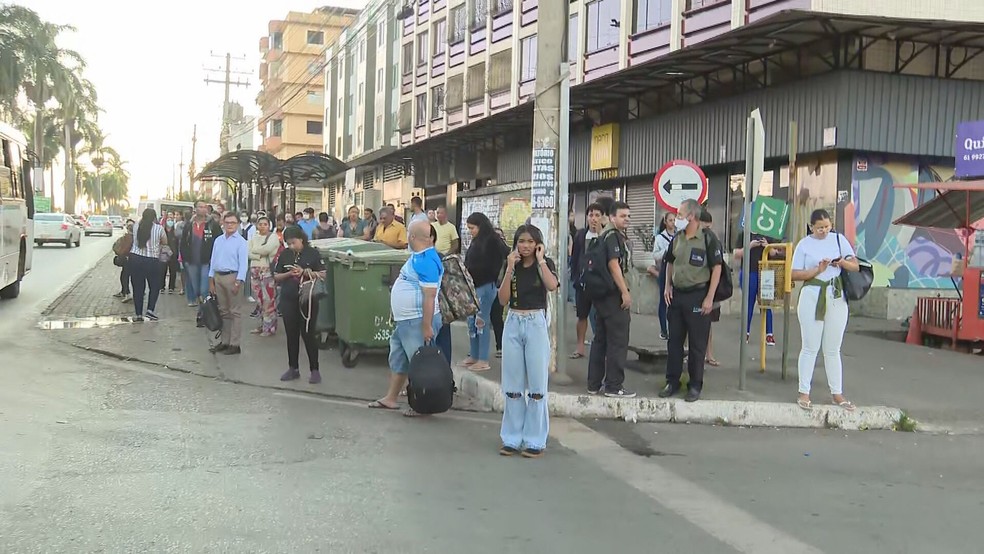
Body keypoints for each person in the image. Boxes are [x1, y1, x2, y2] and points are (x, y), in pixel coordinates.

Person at [369, 219, 444, 416]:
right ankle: (391, 398)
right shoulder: (418, 256)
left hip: (417, 320)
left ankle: (422, 405)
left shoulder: (427, 260)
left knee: (418, 364)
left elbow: (430, 297)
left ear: (412, 237)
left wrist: (427, 326)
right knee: (399, 359)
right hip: (406, 321)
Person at [496, 224, 558, 458]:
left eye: (531, 242)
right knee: (512, 385)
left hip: (535, 322)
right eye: (522, 241)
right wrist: (510, 267)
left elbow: (552, 286)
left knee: (537, 385)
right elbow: (502, 299)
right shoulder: (511, 264)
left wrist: (541, 261)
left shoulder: (545, 264)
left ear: (538, 244)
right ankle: (511, 438)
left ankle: (535, 439)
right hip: (513, 321)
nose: (526, 246)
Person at [791, 209, 859, 411]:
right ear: (812, 227)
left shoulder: (838, 239)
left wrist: (841, 262)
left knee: (833, 348)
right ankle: (804, 392)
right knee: (810, 346)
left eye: (827, 227)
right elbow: (794, 274)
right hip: (813, 293)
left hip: (836, 295)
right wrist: (817, 270)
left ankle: (837, 393)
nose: (824, 231)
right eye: (820, 228)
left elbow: (855, 265)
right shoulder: (804, 244)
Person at [659, 199, 724, 402]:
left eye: (680, 214)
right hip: (677, 295)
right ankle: (672, 381)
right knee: (674, 342)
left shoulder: (708, 239)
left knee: (697, 344)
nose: (676, 219)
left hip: (698, 295)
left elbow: (717, 268)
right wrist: (667, 286)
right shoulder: (677, 238)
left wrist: (709, 298)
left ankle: (695, 385)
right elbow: (669, 261)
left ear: (691, 217)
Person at [586, 201, 636, 398]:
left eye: (629, 216)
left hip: (601, 296)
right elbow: (614, 264)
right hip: (613, 296)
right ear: (612, 217)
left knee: (601, 340)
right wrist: (625, 291)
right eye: (623, 216)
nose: (627, 220)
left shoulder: (603, 235)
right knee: (617, 341)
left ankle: (594, 383)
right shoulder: (613, 236)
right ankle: (614, 386)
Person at [274, 225, 326, 383]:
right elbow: (276, 276)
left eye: (293, 242)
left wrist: (304, 272)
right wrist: (289, 273)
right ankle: (293, 368)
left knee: (309, 334)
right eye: (288, 243)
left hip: (307, 299)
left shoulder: (313, 253)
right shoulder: (285, 254)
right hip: (289, 298)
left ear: (301, 239)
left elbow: (323, 274)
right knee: (291, 334)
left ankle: (314, 369)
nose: (291, 246)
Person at [462, 213, 508, 372]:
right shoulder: (476, 241)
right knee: (471, 322)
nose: (471, 231)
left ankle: (483, 358)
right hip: (473, 286)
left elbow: (506, 254)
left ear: (480, 226)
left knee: (481, 322)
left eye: (472, 228)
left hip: (486, 285)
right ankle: (474, 355)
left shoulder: (493, 241)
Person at [208, 212, 250, 355]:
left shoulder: (241, 242)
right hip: (219, 277)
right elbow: (213, 260)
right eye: (227, 223)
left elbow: (244, 264)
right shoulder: (218, 240)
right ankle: (225, 341)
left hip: (233, 277)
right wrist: (211, 279)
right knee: (224, 311)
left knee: (235, 312)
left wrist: (239, 281)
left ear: (237, 224)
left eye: (233, 223)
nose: (230, 225)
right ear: (223, 224)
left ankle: (235, 344)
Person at [569, 202, 604, 358]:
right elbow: (575, 257)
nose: (594, 219)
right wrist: (575, 278)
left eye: (597, 215)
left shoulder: (606, 235)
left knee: (599, 316)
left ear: (603, 218)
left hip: (600, 284)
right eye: (591, 215)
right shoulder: (581, 235)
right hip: (582, 282)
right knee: (581, 315)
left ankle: (601, 346)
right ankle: (580, 347)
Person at [735, 230, 778, 345]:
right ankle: (745, 333)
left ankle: (769, 334)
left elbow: (775, 253)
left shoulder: (769, 231)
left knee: (766, 303)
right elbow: (736, 254)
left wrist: (767, 246)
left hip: (765, 272)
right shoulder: (744, 233)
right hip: (749, 271)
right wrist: (750, 246)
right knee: (748, 303)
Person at [179, 201, 222, 307]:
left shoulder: (212, 225)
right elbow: (183, 243)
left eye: (205, 207)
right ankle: (197, 302)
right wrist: (185, 259)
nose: (203, 209)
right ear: (195, 209)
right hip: (191, 261)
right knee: (194, 286)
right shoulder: (189, 225)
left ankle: (205, 308)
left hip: (206, 262)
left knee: (204, 288)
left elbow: (219, 241)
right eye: (200, 207)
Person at [128, 208, 168, 322]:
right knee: (154, 286)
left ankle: (138, 314)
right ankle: (150, 310)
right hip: (152, 260)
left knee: (138, 287)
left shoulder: (136, 226)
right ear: (154, 217)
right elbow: (165, 241)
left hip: (135, 259)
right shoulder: (159, 228)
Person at [248, 216, 281, 337]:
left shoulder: (273, 237)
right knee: (259, 299)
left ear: (269, 225)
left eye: (265, 224)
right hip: (254, 270)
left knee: (268, 299)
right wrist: (257, 254)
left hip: (267, 271)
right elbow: (249, 251)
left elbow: (268, 250)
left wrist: (255, 251)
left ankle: (270, 327)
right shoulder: (254, 237)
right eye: (260, 224)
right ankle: (261, 325)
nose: (262, 226)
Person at [699, 209, 721, 367]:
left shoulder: (711, 239)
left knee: (707, 323)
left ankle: (709, 354)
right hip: (703, 288)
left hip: (708, 288)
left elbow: (717, 267)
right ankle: (708, 354)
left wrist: (711, 295)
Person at [648, 212, 676, 340]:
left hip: (676, 271)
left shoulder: (678, 235)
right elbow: (655, 255)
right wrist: (666, 251)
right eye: (670, 220)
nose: (673, 223)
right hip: (664, 270)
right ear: (665, 222)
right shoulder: (660, 238)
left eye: (674, 220)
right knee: (664, 301)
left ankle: (674, 328)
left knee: (675, 302)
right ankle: (664, 330)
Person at [491, 228, 507, 358]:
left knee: (497, 317)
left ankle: (500, 345)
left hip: (500, 287)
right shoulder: (486, 251)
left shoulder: (506, 252)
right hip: (488, 286)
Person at [112, 219, 135, 303]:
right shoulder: (136, 237)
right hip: (134, 259)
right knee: (132, 277)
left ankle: (127, 293)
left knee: (124, 277)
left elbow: (120, 248)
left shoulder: (127, 238)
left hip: (127, 259)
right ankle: (126, 292)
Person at [161, 214, 180, 294]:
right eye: (168, 219)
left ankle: (171, 287)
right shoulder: (162, 231)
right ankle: (161, 286)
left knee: (173, 271)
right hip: (163, 254)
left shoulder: (175, 232)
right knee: (162, 271)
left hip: (173, 254)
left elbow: (178, 244)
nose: (170, 221)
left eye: (171, 219)